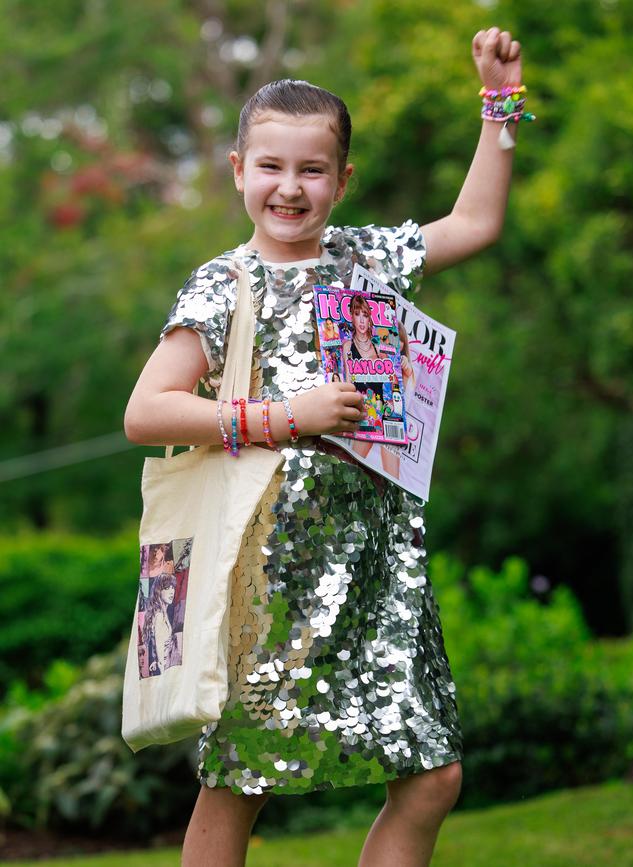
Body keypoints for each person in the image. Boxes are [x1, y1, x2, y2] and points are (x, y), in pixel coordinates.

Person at [124, 25, 525, 867]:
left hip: (380, 565)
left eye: (312, 170)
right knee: (241, 778)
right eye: (271, 166)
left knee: (432, 776)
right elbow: (146, 411)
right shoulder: (223, 284)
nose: (290, 188)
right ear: (239, 171)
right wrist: (283, 416)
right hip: (270, 570)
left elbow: (476, 222)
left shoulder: (366, 257)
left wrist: (499, 106)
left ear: (343, 180)